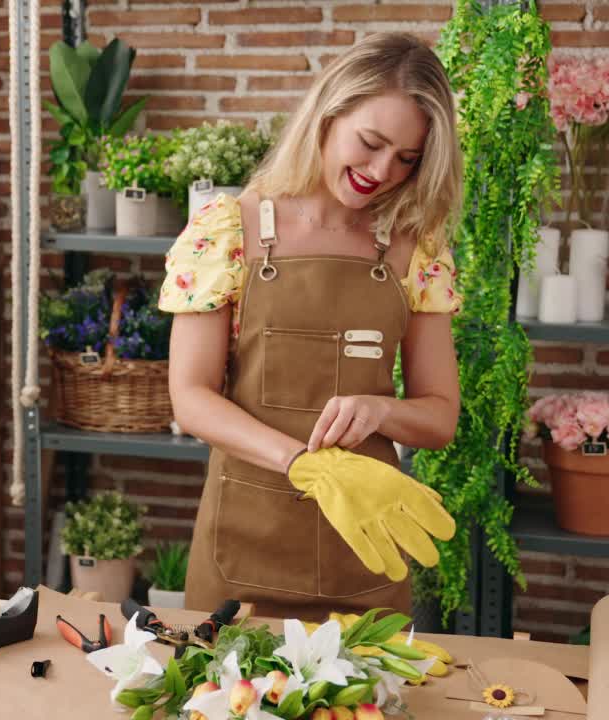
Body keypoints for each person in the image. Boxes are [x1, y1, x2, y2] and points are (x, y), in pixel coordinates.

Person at [158, 32, 463, 621]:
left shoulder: (416, 249)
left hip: (365, 552)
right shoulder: (227, 230)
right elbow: (190, 398)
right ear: (327, 113)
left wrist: (381, 411)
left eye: (408, 158)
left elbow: (440, 415)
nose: (382, 171)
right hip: (242, 546)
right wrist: (305, 464)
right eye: (371, 142)